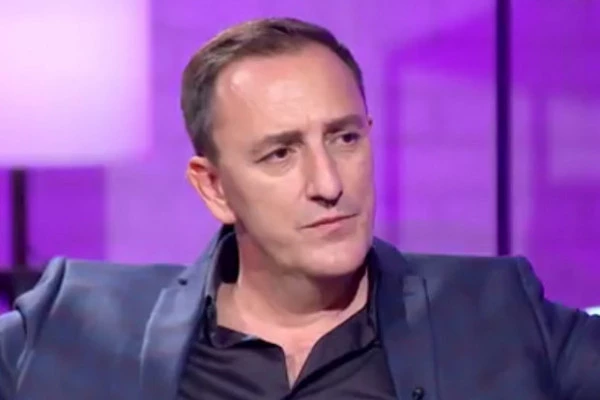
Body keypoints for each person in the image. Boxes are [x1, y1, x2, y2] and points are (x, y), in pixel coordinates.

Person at [0, 17, 598, 400]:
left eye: (345, 138)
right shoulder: (74, 323)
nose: (328, 183)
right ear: (214, 188)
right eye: (281, 153)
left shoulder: (499, 312)